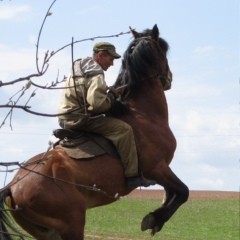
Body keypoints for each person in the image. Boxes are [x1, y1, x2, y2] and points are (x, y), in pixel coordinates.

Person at [58, 42, 155, 188]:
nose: (112, 64)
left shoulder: (80, 66)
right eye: (111, 59)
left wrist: (105, 92)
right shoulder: (96, 72)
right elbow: (97, 104)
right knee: (124, 130)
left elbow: (85, 94)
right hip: (79, 119)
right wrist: (110, 97)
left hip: (65, 117)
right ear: (101, 55)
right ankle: (133, 177)